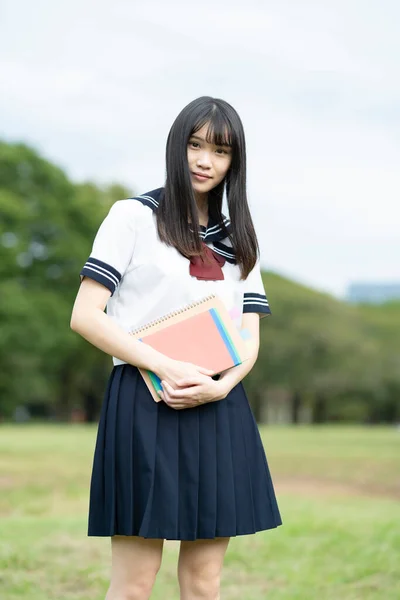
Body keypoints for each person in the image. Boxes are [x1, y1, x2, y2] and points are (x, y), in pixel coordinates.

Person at [70, 96, 282, 600]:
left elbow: (248, 337)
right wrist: (166, 367)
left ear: (235, 163)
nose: (205, 160)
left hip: (217, 407)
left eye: (221, 151)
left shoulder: (240, 239)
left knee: (204, 584)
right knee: (133, 585)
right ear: (176, 146)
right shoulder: (133, 217)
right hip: (144, 403)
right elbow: (84, 316)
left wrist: (220, 387)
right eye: (195, 144)